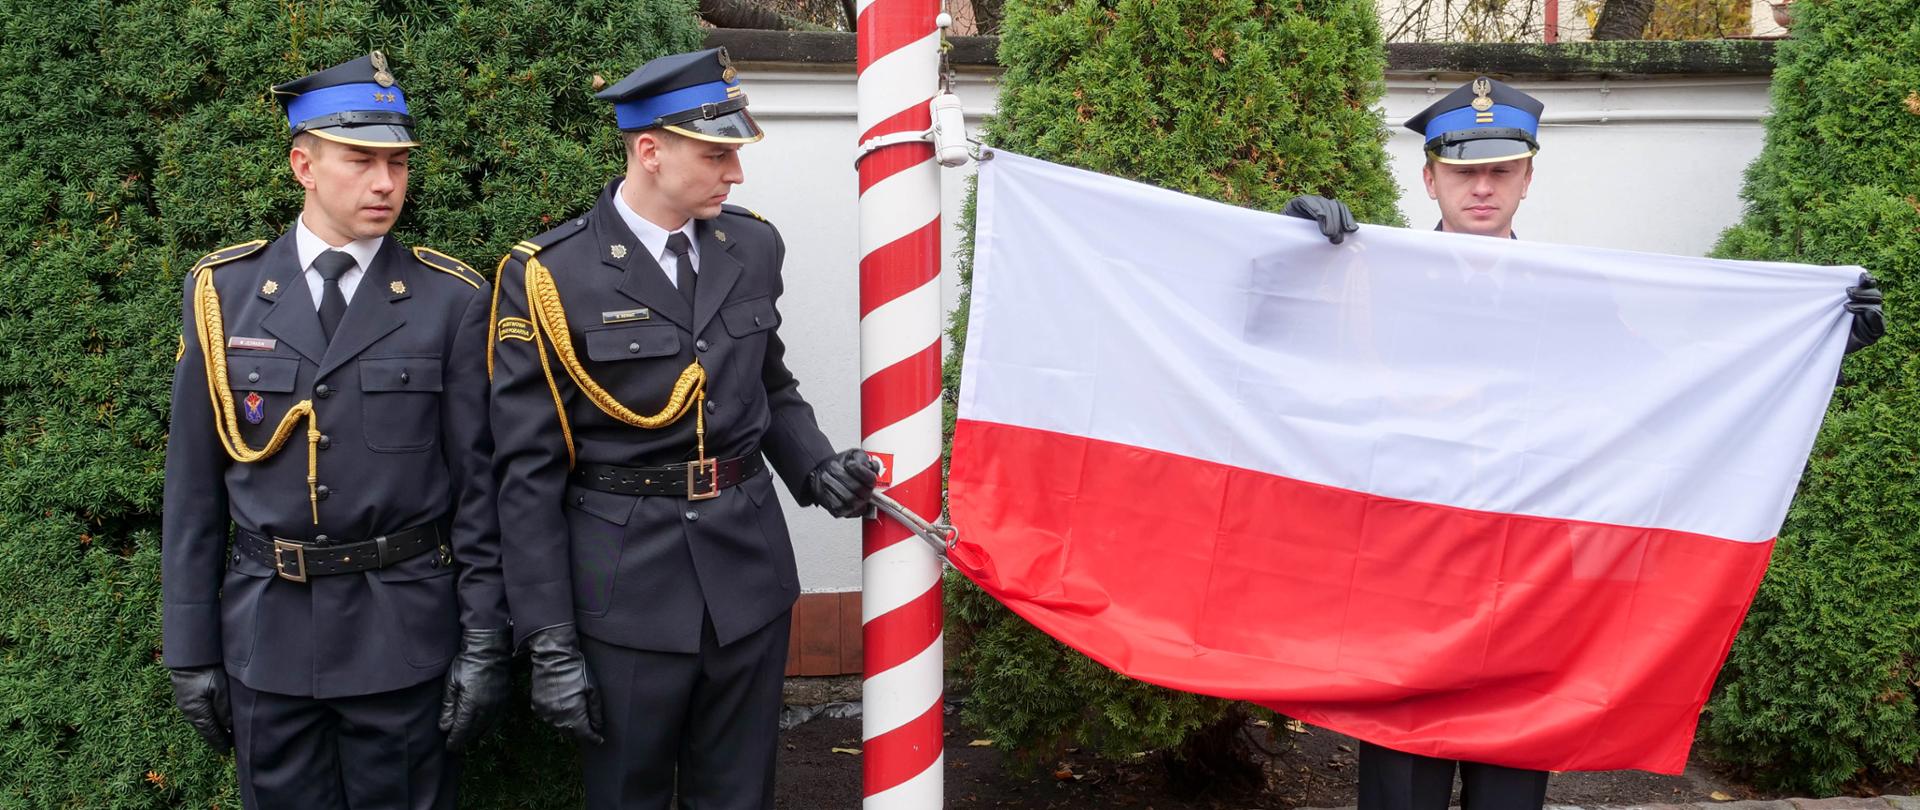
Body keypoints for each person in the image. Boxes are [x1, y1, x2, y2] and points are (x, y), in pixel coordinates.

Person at [1279, 76, 1883, 810]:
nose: (1482, 187)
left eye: (1501, 170)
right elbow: (1286, 366)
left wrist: (1814, 352)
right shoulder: (1370, 279)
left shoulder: (1575, 296)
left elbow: (1678, 396)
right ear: (1430, 178)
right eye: (1464, 171)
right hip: (1411, 574)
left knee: (1509, 799)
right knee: (1401, 797)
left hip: (1528, 581)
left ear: (1528, 179)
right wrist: (1287, 257)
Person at [488, 47, 878, 809]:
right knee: (627, 794)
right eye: (717, 155)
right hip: (625, 583)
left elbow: (768, 384)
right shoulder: (550, 274)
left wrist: (815, 467)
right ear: (650, 151)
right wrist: (547, 635)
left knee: (739, 795)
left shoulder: (751, 245)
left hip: (748, 572)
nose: (736, 174)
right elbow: (526, 469)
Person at [161, 52, 510, 810]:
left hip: (403, 637)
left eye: (398, 163)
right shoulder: (225, 292)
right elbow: (192, 490)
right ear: (304, 167)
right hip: (267, 639)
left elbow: (480, 492)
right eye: (361, 161)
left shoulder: (449, 300)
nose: (385, 183)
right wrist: (189, 648)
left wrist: (485, 639)